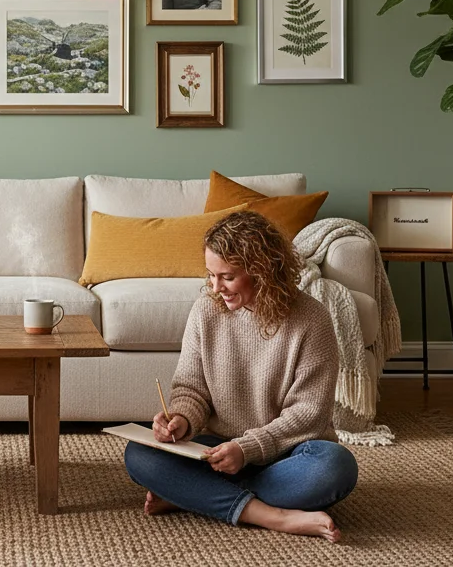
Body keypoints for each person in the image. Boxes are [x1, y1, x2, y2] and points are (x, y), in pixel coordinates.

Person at [124, 210, 357, 543]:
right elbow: (191, 389)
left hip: (288, 454)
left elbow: (309, 414)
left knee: (335, 467)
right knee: (140, 453)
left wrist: (247, 449)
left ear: (263, 272)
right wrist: (180, 419)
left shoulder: (311, 319)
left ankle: (193, 496)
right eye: (211, 275)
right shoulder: (206, 310)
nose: (216, 287)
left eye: (227, 277)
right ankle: (272, 515)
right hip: (218, 452)